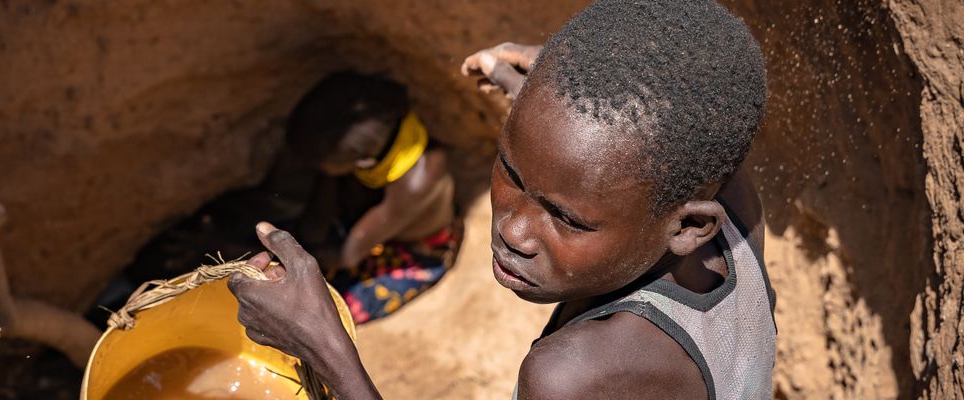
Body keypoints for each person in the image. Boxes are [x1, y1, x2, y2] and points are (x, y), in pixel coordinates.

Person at [227, 0, 774, 398]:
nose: (513, 231)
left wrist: (327, 351)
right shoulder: (733, 202)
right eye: (510, 170)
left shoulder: (574, 376)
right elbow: (609, 166)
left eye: (565, 218)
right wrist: (548, 80)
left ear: (689, 228)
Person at [286, 71, 458, 323]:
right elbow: (317, 219)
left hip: (414, 251)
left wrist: (284, 258)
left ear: (362, 162)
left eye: (322, 166)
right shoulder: (384, 127)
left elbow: (347, 256)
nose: (315, 170)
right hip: (379, 221)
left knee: (324, 313)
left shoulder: (417, 183)